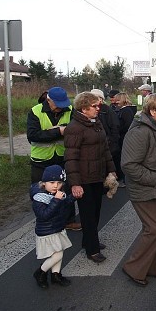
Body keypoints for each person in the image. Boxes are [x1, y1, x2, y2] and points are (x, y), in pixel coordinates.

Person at [121, 94, 156, 286]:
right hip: (143, 188)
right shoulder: (140, 132)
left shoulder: (155, 128)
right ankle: (133, 267)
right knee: (155, 228)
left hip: (153, 187)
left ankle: (154, 267)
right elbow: (129, 165)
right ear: (153, 111)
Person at [64, 92, 116, 264]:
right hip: (84, 179)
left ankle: (88, 241)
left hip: (97, 176)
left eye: (97, 105)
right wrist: (75, 184)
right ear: (84, 108)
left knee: (95, 212)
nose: (98, 108)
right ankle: (92, 250)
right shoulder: (74, 128)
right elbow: (70, 158)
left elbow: (105, 149)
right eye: (94, 106)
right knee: (87, 214)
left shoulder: (96, 123)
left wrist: (112, 170)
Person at [26, 86, 80, 231]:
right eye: (57, 105)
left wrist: (58, 131)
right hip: (41, 160)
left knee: (65, 189)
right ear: (48, 100)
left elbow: (75, 129)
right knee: (41, 190)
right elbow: (33, 135)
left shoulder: (69, 109)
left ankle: (69, 220)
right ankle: (46, 221)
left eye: (62, 105)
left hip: (62, 157)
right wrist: (59, 131)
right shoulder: (35, 111)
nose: (60, 109)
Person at [31, 165, 74, 289]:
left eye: (59, 182)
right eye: (52, 182)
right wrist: (56, 200)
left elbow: (64, 204)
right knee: (57, 255)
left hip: (57, 228)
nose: (56, 185)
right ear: (44, 183)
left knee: (59, 252)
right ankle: (40, 272)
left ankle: (56, 275)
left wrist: (73, 197)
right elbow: (44, 215)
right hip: (47, 231)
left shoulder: (57, 194)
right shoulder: (39, 198)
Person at [91, 89, 121, 186]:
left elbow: (115, 126)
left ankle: (109, 183)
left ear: (101, 99)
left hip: (108, 143)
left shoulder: (107, 110)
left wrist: (112, 141)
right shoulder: (89, 109)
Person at [115, 92, 136, 187]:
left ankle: (125, 180)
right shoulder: (125, 110)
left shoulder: (126, 111)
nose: (116, 102)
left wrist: (118, 129)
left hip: (124, 137)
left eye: (118, 100)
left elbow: (127, 125)